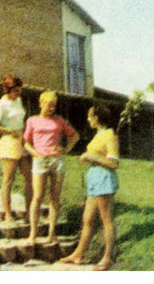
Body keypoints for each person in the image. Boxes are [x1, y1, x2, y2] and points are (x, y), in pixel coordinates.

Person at [59, 104, 119, 271]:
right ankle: (78, 255)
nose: (88, 119)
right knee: (87, 219)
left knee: (106, 219)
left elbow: (114, 163)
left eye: (90, 116)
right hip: (94, 178)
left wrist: (92, 157)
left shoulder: (110, 135)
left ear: (97, 118)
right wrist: (90, 157)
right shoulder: (98, 134)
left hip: (103, 179)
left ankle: (107, 258)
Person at [23, 90, 79, 245]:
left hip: (57, 161)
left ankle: (51, 234)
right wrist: (34, 153)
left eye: (54, 105)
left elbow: (74, 136)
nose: (51, 108)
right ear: (41, 104)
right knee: (37, 196)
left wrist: (66, 149)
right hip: (40, 161)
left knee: (55, 197)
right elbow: (26, 142)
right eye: (48, 105)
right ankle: (33, 235)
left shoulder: (59, 120)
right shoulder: (32, 120)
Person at [0, 75, 32, 223]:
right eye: (15, 91)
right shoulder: (0, 105)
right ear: (8, 90)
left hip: (22, 141)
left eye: (20, 90)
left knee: (29, 178)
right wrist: (8, 130)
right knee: (9, 179)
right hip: (8, 142)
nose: (18, 93)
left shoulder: (18, 100)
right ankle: (8, 213)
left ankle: (29, 212)